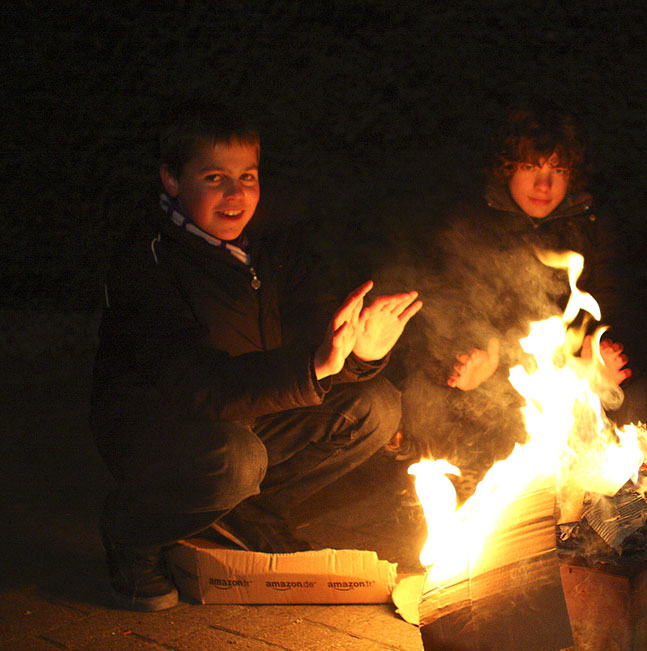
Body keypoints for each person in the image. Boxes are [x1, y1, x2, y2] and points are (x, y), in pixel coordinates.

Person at [90, 99, 421, 611]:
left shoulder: (266, 250)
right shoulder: (148, 261)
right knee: (236, 460)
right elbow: (199, 384)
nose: (236, 193)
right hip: (161, 427)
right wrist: (315, 367)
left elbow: (314, 336)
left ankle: (251, 512)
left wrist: (358, 357)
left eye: (247, 176)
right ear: (173, 181)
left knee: (377, 404)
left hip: (243, 411)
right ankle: (133, 533)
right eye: (215, 177)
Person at [395, 99, 647, 486]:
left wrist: (604, 355)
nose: (544, 185)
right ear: (507, 168)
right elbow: (438, 315)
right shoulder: (470, 224)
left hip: (573, 376)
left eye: (558, 170)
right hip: (498, 381)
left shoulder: (595, 225)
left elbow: (619, 304)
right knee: (427, 397)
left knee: (638, 400)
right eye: (531, 167)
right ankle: (466, 499)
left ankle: (613, 508)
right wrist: (464, 364)